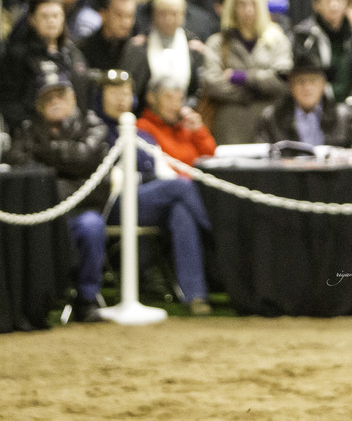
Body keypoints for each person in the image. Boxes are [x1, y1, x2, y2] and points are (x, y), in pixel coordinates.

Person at [95, 69, 213, 315]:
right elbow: (111, 181)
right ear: (100, 96)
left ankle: (196, 296)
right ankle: (215, 233)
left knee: (181, 209)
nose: (120, 99)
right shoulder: (95, 128)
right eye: (113, 92)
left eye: (125, 93)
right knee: (180, 187)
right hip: (110, 205)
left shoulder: (141, 134)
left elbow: (162, 171)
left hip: (145, 201)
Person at [5, 73, 110, 322]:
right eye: (48, 97)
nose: (55, 101)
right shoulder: (28, 129)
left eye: (60, 95)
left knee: (92, 226)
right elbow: (17, 162)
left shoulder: (92, 124)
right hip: (41, 215)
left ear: (73, 98)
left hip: (81, 208)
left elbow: (83, 158)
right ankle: (34, 305)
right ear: (39, 105)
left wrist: (45, 154)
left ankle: (86, 299)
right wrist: (63, 168)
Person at [201, 0, 292, 144]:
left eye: (253, 3)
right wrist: (259, 90)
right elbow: (213, 84)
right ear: (232, 7)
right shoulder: (217, 43)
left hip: (269, 129)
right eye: (241, 3)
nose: (248, 10)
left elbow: (282, 82)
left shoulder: (278, 40)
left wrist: (241, 77)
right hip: (230, 131)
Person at [0, 0, 91, 126]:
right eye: (44, 16)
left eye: (56, 16)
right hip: (32, 135)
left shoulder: (74, 54)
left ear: (63, 17)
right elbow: (8, 101)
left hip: (74, 132)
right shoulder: (17, 55)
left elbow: (84, 97)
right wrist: (28, 127)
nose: (51, 21)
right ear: (32, 19)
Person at [291, 0, 352, 129]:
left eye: (339, 0)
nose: (334, 5)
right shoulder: (303, 36)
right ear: (317, 4)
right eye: (328, 0)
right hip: (315, 113)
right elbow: (301, 76)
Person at [255, 52, 352, 148]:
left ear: (323, 85)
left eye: (313, 81)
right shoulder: (272, 118)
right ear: (291, 86)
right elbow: (262, 159)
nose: (307, 87)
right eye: (300, 81)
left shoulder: (345, 116)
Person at [121, 0, 205, 106]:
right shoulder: (138, 47)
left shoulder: (194, 49)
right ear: (154, 14)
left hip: (184, 113)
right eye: (163, 13)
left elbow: (198, 91)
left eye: (174, 14)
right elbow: (130, 90)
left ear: (183, 15)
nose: (169, 19)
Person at [136, 76, 217, 168]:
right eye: (168, 98)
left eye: (180, 99)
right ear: (151, 98)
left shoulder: (185, 127)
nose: (175, 105)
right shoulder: (143, 127)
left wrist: (198, 130)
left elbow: (210, 156)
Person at [76, 0, 138, 79]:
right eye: (119, 15)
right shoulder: (82, 50)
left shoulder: (138, 55)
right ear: (103, 14)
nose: (125, 22)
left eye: (129, 16)